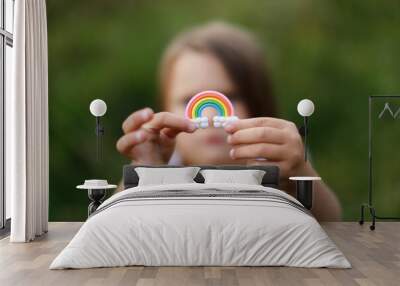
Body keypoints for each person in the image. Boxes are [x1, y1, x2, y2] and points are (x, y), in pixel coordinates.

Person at [116, 22, 341, 221]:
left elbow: (331, 218)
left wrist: (297, 176)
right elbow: (114, 221)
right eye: (190, 100)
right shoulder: (166, 164)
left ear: (259, 106)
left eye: (229, 96)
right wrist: (143, 171)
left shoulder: (280, 158)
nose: (211, 117)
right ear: (165, 110)